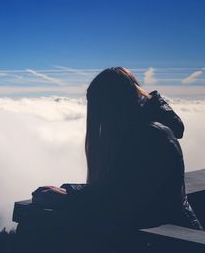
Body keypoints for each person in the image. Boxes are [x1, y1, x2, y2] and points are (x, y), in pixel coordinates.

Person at [32, 67, 203, 230]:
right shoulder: (140, 133)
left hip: (176, 242)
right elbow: (123, 187)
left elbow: (128, 199)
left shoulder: (151, 136)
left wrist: (70, 195)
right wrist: (70, 192)